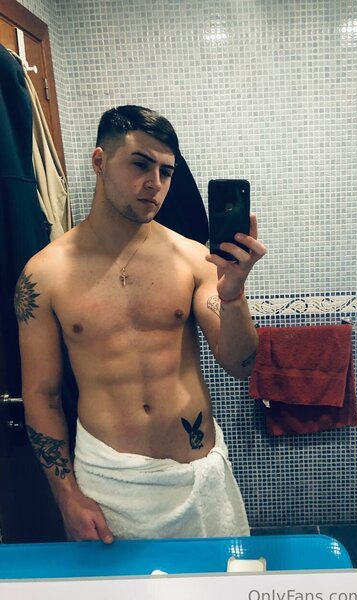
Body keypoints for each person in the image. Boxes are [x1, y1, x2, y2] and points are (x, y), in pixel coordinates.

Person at [15, 105, 266, 543]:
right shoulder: (44, 274)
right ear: (100, 161)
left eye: (166, 172)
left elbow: (241, 364)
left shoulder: (193, 258)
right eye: (140, 164)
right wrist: (67, 497)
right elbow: (42, 396)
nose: (155, 183)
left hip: (196, 477)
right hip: (110, 484)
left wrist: (234, 296)